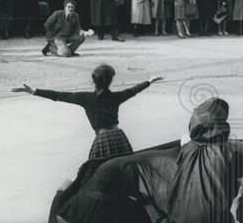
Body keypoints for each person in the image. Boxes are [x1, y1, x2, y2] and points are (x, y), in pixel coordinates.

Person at [13, 65, 162, 161]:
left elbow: (59, 95)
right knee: (125, 167)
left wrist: (34, 91)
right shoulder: (116, 97)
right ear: (110, 81)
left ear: (94, 81)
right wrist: (149, 81)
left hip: (102, 138)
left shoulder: (85, 98)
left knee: (95, 171)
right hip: (119, 136)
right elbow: (133, 90)